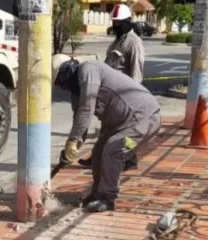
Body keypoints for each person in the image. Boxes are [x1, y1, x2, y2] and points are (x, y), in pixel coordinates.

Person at [52, 54, 161, 213]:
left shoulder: (89, 69)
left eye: (60, 80)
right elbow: (80, 121)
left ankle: (108, 198)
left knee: (114, 150)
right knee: (98, 152)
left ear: (67, 70)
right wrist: (71, 147)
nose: (62, 86)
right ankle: (97, 194)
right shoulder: (78, 91)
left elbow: (87, 109)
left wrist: (73, 139)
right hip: (123, 125)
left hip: (146, 122)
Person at [79, 3, 147, 169]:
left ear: (127, 21)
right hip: (111, 94)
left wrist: (133, 95)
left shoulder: (133, 42)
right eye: (114, 22)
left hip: (126, 95)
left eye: (119, 22)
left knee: (126, 129)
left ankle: (129, 159)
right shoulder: (117, 42)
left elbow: (137, 72)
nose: (116, 25)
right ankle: (98, 157)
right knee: (107, 128)